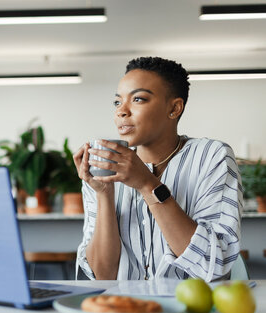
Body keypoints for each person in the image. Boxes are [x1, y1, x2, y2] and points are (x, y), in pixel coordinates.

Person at [73, 56, 242, 282]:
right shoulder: (104, 169)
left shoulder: (212, 156)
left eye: (138, 99)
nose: (121, 111)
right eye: (117, 102)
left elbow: (213, 265)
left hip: (191, 311)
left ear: (174, 108)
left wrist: (147, 184)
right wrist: (104, 193)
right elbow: (104, 275)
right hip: (125, 311)